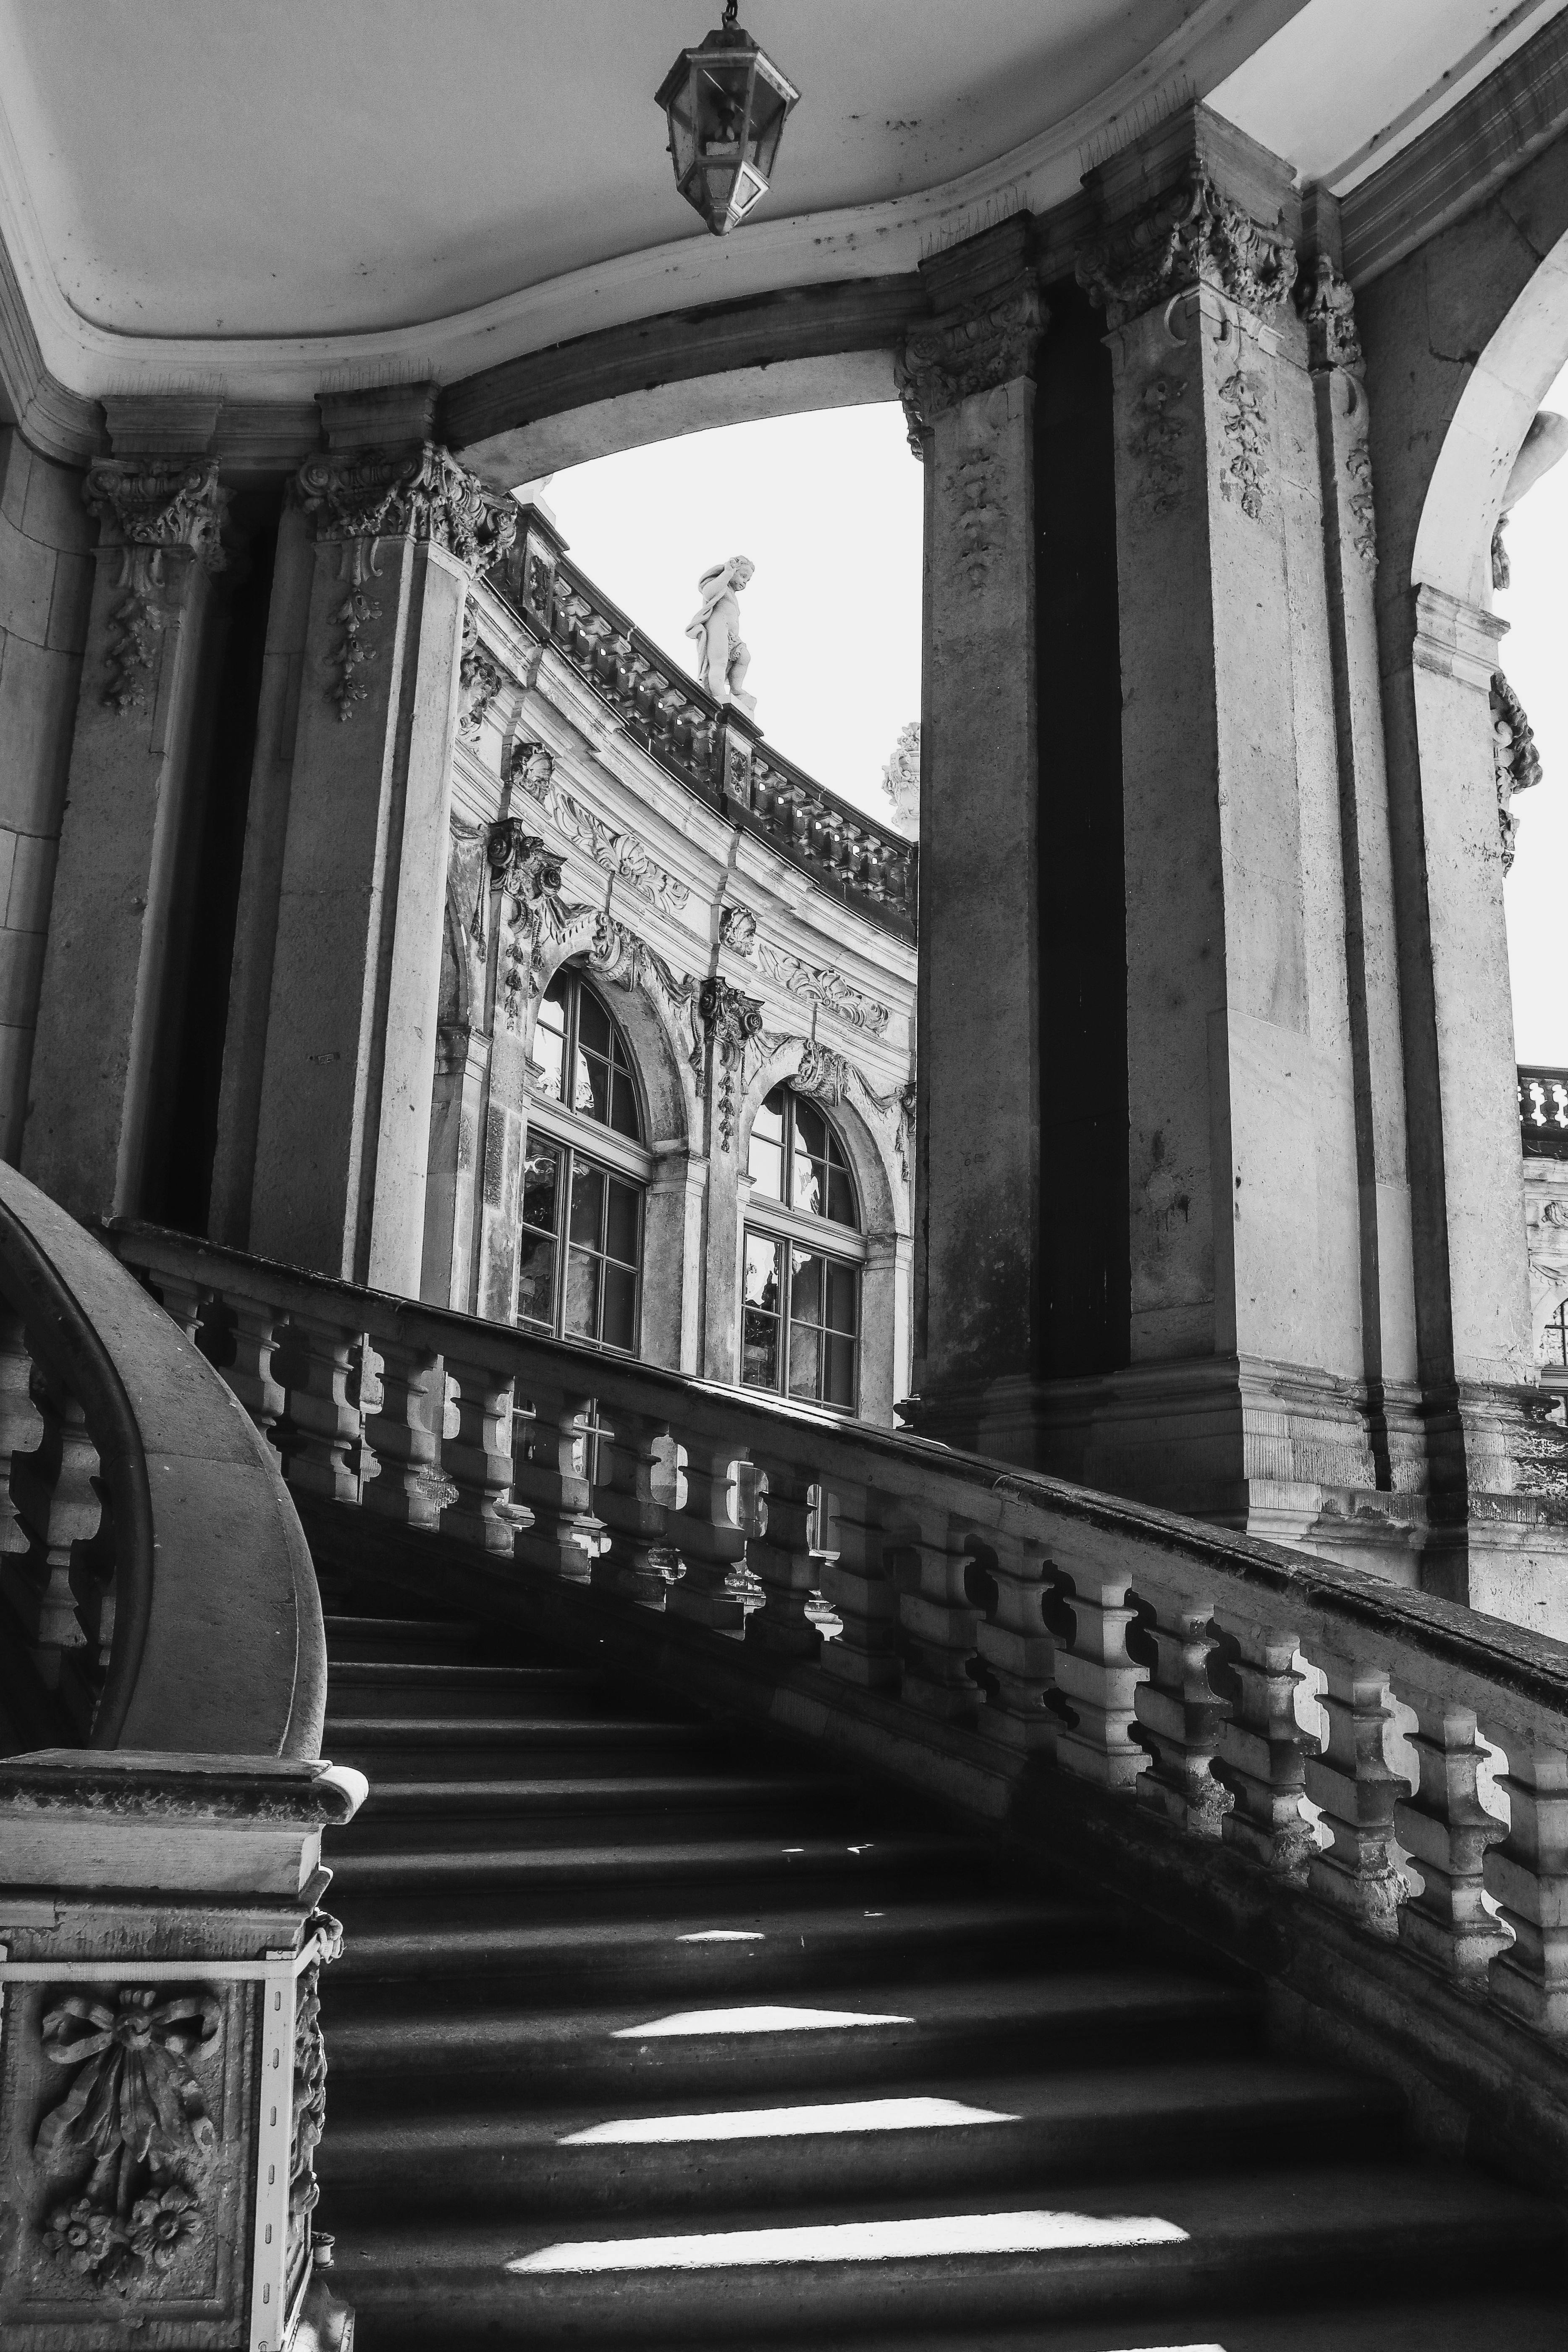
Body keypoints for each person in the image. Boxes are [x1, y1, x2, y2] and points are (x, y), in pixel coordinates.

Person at [685, 556, 756, 714]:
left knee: (744, 657)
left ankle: (736, 689)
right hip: (719, 629)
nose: (745, 583)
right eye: (743, 577)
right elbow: (708, 593)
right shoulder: (721, 585)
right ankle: (718, 695)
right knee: (720, 662)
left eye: (748, 580)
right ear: (733, 571)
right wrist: (727, 573)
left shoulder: (732, 594)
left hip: (733, 637)